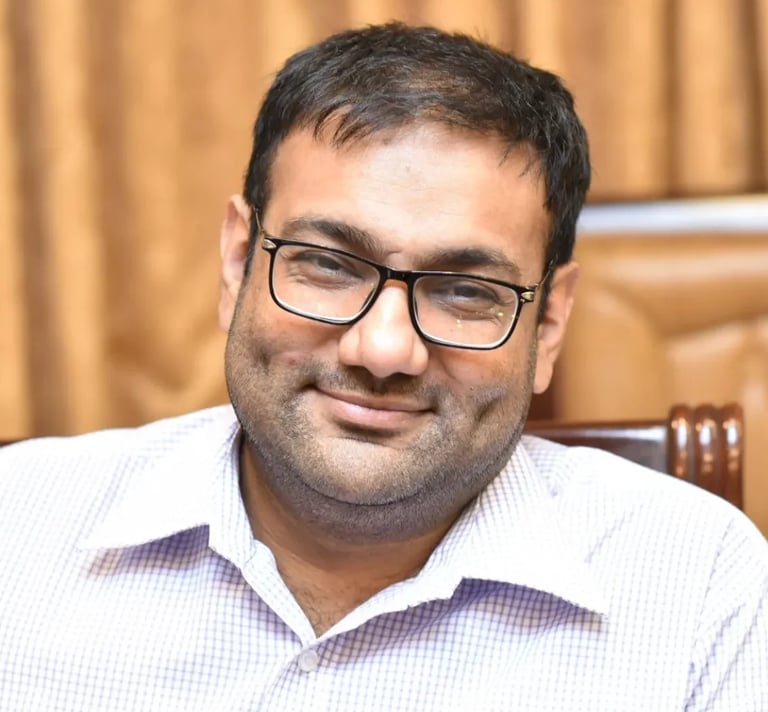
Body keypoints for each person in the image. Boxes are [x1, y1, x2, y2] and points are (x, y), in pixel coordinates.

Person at [1, 22, 766, 712]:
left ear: (551, 322)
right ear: (237, 263)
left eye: (467, 292)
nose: (385, 350)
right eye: (329, 265)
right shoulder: (19, 528)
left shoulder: (703, 593)